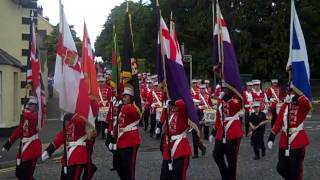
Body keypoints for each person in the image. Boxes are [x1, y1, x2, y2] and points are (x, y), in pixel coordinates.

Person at [267, 88, 311, 180]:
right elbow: (278, 121)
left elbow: (307, 103)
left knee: (295, 170)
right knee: (281, 167)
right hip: (284, 140)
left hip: (297, 140)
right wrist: (272, 137)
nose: (292, 93)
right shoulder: (285, 105)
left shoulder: (302, 104)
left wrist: (298, 97)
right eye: (290, 91)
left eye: (293, 91)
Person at [42, 113, 95, 180]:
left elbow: (81, 121)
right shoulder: (69, 124)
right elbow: (60, 138)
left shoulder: (80, 122)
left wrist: (73, 116)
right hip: (68, 156)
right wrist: (49, 150)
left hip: (78, 156)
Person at [2, 96, 42, 180]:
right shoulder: (26, 116)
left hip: (32, 149)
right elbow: (20, 129)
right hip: (23, 148)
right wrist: (9, 142)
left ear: (36, 106)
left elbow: (32, 118)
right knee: (19, 173)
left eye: (32, 105)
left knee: (27, 176)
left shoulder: (37, 116)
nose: (30, 106)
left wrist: (24, 111)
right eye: (29, 104)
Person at [210, 83, 243, 180]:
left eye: (225, 88)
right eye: (223, 88)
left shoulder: (237, 96)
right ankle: (226, 175)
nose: (223, 89)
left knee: (231, 159)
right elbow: (218, 116)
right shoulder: (221, 98)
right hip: (221, 130)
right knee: (216, 155)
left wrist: (227, 98)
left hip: (233, 130)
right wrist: (213, 131)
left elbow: (238, 105)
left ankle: (232, 177)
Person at [158, 99, 192, 180]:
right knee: (164, 176)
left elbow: (182, 105)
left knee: (178, 176)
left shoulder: (183, 112)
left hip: (180, 148)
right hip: (168, 148)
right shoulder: (170, 111)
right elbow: (163, 117)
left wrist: (172, 101)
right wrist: (166, 107)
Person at [113, 86, 141, 180]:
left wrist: (120, 106)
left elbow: (133, 113)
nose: (124, 98)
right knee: (118, 165)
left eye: (126, 96)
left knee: (129, 168)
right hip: (121, 141)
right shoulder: (123, 107)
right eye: (123, 97)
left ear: (131, 98)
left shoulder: (132, 108)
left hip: (130, 141)